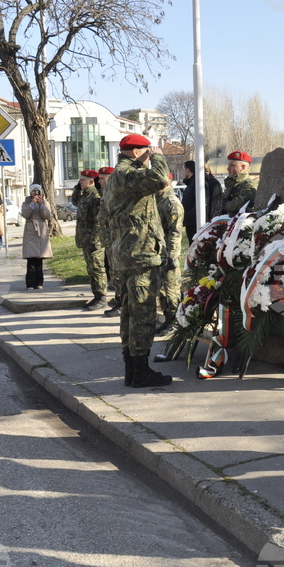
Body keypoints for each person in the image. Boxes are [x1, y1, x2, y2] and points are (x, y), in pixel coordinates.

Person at [103, 134, 172, 387]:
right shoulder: (127, 174)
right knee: (142, 313)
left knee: (130, 313)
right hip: (140, 254)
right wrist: (159, 156)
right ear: (135, 153)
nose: (150, 154)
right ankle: (140, 371)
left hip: (126, 253)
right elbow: (160, 178)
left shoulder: (116, 177)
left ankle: (132, 370)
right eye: (146, 151)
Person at [74, 169, 108, 310]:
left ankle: (102, 297)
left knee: (97, 268)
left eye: (83, 180)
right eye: (80, 180)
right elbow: (75, 201)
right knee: (91, 269)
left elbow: (98, 221)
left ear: (91, 182)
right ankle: (96, 295)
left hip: (94, 241)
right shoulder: (85, 196)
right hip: (85, 239)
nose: (80, 182)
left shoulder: (95, 197)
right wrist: (77, 188)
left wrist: (96, 240)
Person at [157, 181, 185, 335]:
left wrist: (172, 255)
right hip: (158, 252)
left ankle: (174, 322)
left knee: (171, 288)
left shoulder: (172, 203)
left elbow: (175, 232)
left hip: (168, 253)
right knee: (162, 289)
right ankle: (168, 318)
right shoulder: (157, 200)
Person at [96, 166, 122, 317]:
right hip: (109, 239)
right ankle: (119, 301)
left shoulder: (116, 194)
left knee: (118, 273)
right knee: (113, 272)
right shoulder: (106, 193)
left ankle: (121, 303)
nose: (99, 181)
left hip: (116, 239)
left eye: (102, 178)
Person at [21, 184, 53, 290]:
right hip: (30, 231)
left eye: (37, 191)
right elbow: (25, 215)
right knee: (31, 260)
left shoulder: (44, 202)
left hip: (41, 231)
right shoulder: (26, 203)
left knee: (39, 260)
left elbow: (47, 215)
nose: (36, 193)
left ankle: (39, 283)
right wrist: (32, 204)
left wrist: (41, 205)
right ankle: (30, 284)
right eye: (33, 191)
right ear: (30, 193)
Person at [181, 160, 223, 236]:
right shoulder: (191, 183)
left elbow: (210, 203)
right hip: (191, 222)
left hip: (196, 222)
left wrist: (187, 215)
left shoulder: (200, 183)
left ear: (188, 170)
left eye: (183, 170)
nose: (182, 173)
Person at [218, 151, 258, 215]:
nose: (228, 168)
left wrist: (224, 203)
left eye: (232, 165)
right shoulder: (232, 186)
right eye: (228, 165)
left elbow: (232, 207)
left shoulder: (249, 186)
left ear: (243, 167)